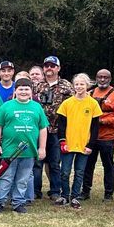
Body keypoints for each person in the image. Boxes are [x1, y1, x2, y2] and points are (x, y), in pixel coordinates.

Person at [0, 79, 48, 214]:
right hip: (9, 151)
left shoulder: (37, 107)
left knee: (23, 179)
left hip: (29, 151)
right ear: (15, 91)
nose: (23, 92)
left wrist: (42, 148)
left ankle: (18, 202)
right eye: (20, 89)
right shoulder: (6, 106)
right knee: (6, 177)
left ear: (31, 92)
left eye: (26, 89)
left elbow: (43, 128)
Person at [56, 73, 102, 209]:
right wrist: (62, 141)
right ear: (73, 86)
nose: (79, 86)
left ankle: (75, 197)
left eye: (82, 84)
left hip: (84, 144)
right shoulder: (67, 103)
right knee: (64, 171)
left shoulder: (93, 103)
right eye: (77, 84)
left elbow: (95, 127)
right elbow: (61, 124)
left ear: (87, 86)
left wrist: (90, 144)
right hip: (69, 144)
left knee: (80, 172)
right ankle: (64, 195)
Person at [32, 55, 74, 203]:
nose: (49, 68)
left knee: (55, 163)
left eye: (52, 65)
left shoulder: (67, 86)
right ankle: (35, 191)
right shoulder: (36, 85)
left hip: (57, 130)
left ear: (58, 68)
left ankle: (55, 191)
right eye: (46, 65)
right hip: (38, 130)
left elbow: (73, 106)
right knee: (37, 162)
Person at [81, 69, 114, 201]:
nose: (102, 80)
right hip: (91, 137)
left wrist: (102, 121)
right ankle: (85, 191)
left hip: (107, 137)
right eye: (100, 77)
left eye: (105, 77)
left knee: (108, 166)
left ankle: (108, 193)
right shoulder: (90, 93)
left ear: (110, 79)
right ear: (96, 78)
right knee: (88, 165)